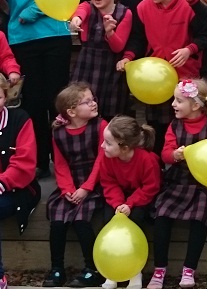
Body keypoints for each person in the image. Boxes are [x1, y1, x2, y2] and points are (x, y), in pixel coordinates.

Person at [117, 0, 207, 151]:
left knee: (187, 125)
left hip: (186, 77)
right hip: (155, 80)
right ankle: (159, 167)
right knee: (157, 127)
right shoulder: (143, 7)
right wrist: (128, 57)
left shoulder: (189, 7)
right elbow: (138, 39)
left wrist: (190, 49)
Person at [0, 0, 72, 176]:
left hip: (55, 35)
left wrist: (32, 11)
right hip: (23, 40)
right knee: (33, 102)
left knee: (57, 100)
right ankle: (40, 161)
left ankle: (63, 159)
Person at [148, 79, 207, 289]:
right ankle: (159, 269)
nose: (173, 104)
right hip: (178, 181)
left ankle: (189, 269)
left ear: (196, 105)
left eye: (179, 100)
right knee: (161, 214)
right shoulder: (174, 126)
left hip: (203, 184)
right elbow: (164, 154)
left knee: (200, 217)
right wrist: (175, 154)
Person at [44, 83, 107, 288]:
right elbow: (60, 165)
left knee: (81, 220)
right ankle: (57, 269)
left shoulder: (100, 126)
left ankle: (92, 269)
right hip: (70, 185)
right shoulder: (59, 133)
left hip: (95, 183)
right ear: (71, 111)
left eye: (93, 99)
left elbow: (101, 160)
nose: (93, 103)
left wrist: (86, 188)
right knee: (58, 221)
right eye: (87, 102)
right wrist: (67, 189)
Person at [99, 115, 162, 289]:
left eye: (108, 143)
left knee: (135, 219)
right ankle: (111, 271)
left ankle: (135, 273)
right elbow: (108, 182)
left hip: (141, 197)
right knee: (108, 219)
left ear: (125, 147)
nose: (102, 145)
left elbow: (151, 187)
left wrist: (130, 204)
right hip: (118, 198)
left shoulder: (147, 160)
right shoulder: (107, 157)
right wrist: (118, 204)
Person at [69, 0, 131, 120]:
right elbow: (80, 12)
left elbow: (118, 47)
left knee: (109, 111)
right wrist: (76, 19)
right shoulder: (87, 7)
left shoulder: (125, 13)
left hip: (110, 69)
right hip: (87, 65)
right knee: (80, 106)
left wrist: (110, 33)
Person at [0, 73, 39, 289]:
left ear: (6, 97)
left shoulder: (21, 119)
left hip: (17, 190)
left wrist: (2, 182)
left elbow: (24, 164)